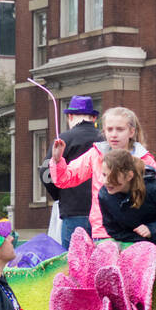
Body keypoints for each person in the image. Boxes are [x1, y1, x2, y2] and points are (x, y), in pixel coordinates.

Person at [50, 106, 156, 242]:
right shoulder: (95, 155)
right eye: (109, 129)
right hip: (103, 233)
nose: (113, 134)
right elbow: (64, 179)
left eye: (120, 129)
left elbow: (155, 200)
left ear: (131, 132)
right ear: (104, 131)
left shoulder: (145, 160)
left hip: (137, 234)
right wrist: (57, 160)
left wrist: (154, 230)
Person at [98, 148, 156, 252]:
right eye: (104, 175)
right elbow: (114, 230)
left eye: (113, 176)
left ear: (129, 176)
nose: (106, 181)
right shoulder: (105, 195)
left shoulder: (155, 188)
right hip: (136, 244)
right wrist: (152, 243)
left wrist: (152, 229)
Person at [55, 96, 103, 248]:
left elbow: (46, 173)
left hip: (73, 210)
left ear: (70, 116)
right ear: (94, 117)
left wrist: (60, 195)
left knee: (73, 262)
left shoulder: (64, 139)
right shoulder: (106, 140)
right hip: (104, 214)